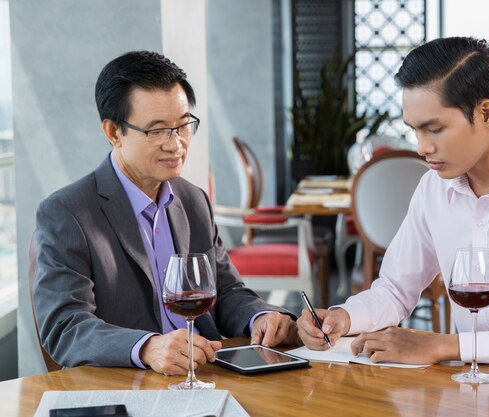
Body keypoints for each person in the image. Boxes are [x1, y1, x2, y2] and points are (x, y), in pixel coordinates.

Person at [297, 37, 489, 366]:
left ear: (486, 113)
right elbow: (395, 288)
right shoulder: (433, 189)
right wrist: (344, 317)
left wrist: (448, 347)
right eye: (414, 130)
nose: (422, 148)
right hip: (465, 392)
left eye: (434, 129)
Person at [33, 51, 298, 375]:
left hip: (209, 375)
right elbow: (65, 326)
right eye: (157, 131)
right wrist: (146, 347)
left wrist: (261, 317)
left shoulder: (193, 200)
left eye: (183, 126)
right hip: (130, 385)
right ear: (114, 132)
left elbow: (226, 291)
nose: (176, 144)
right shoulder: (68, 212)